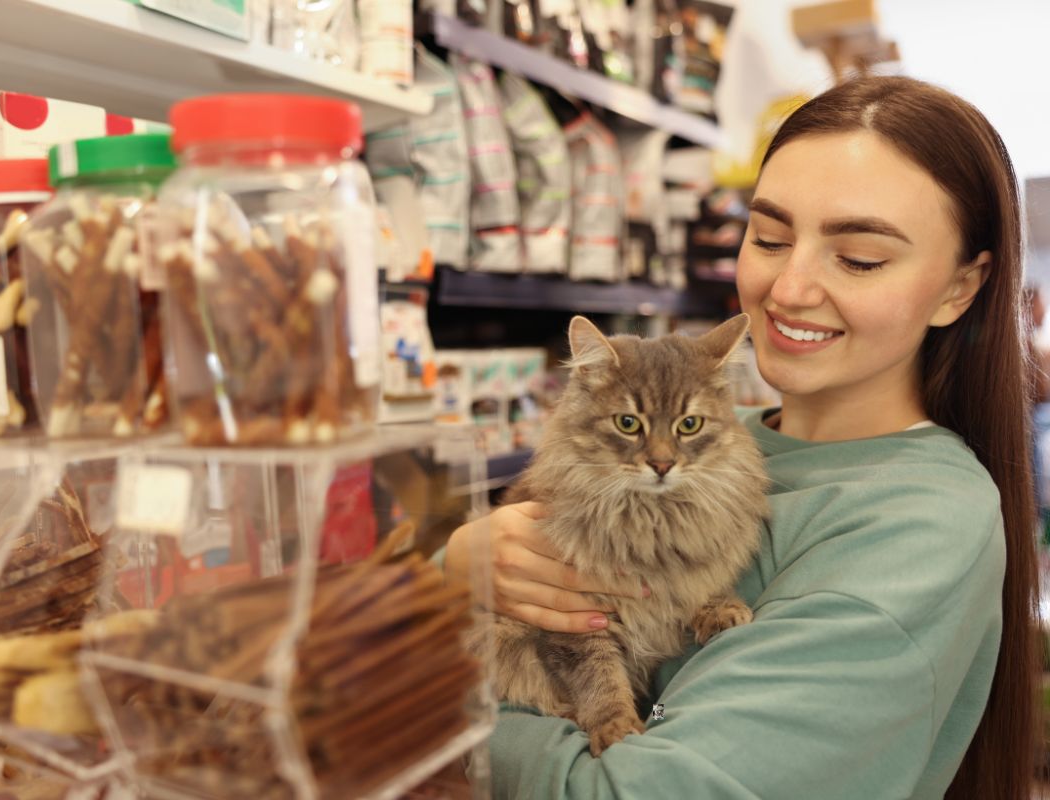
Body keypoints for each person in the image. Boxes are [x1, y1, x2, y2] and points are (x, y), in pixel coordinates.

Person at [443, 76, 1040, 800]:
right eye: (770, 236)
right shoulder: (737, 437)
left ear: (960, 287)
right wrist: (460, 569)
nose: (788, 288)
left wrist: (438, 715)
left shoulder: (920, 529)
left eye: (858, 258)